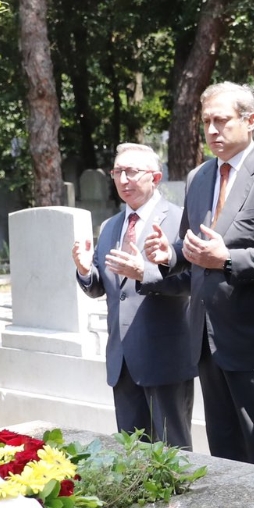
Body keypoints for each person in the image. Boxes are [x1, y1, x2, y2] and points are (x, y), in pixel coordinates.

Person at [144, 82, 254, 471]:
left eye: (222, 121)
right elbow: (190, 242)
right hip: (205, 338)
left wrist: (227, 259)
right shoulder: (200, 176)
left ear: (250, 121)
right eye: (207, 122)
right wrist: (170, 255)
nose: (212, 130)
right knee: (225, 452)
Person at [72, 142, 196, 448]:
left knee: (174, 453)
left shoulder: (180, 220)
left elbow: (193, 281)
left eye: (131, 171)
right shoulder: (111, 226)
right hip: (122, 359)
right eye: (117, 172)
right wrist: (86, 271)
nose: (123, 179)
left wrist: (147, 274)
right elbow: (105, 286)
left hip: (165, 357)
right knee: (131, 457)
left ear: (155, 178)